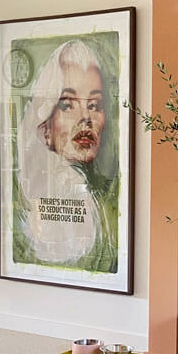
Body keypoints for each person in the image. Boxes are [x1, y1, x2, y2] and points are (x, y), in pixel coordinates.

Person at [18, 39, 118, 272]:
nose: (85, 118)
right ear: (45, 125)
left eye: (94, 105)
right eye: (68, 105)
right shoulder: (33, 201)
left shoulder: (106, 203)